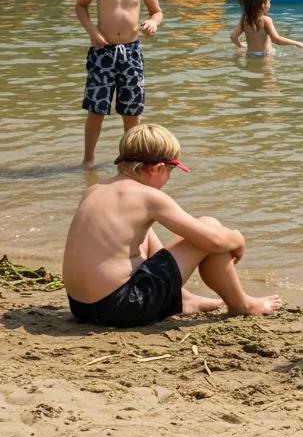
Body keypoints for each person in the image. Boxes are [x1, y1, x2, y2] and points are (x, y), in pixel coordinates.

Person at [62, 123, 283, 326]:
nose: (169, 177)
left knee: (143, 233)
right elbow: (214, 241)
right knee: (210, 225)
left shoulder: (96, 190)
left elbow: (151, 252)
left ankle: (183, 298)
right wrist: (238, 239)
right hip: (121, 307)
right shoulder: (149, 197)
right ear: (157, 168)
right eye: (171, 171)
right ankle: (241, 304)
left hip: (82, 307)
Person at [75, 0, 162, 170]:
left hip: (132, 53)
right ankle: (88, 158)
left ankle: (131, 156)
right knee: (96, 108)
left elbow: (157, 11)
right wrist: (93, 31)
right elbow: (80, 6)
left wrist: (153, 22)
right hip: (103, 52)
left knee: (132, 109)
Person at [230, 0, 303, 55]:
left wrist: (240, 45)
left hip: (250, 54)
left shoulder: (244, 18)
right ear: (263, 5)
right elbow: (276, 39)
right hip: (265, 55)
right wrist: (297, 43)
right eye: (269, 1)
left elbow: (233, 36)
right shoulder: (266, 20)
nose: (270, 3)